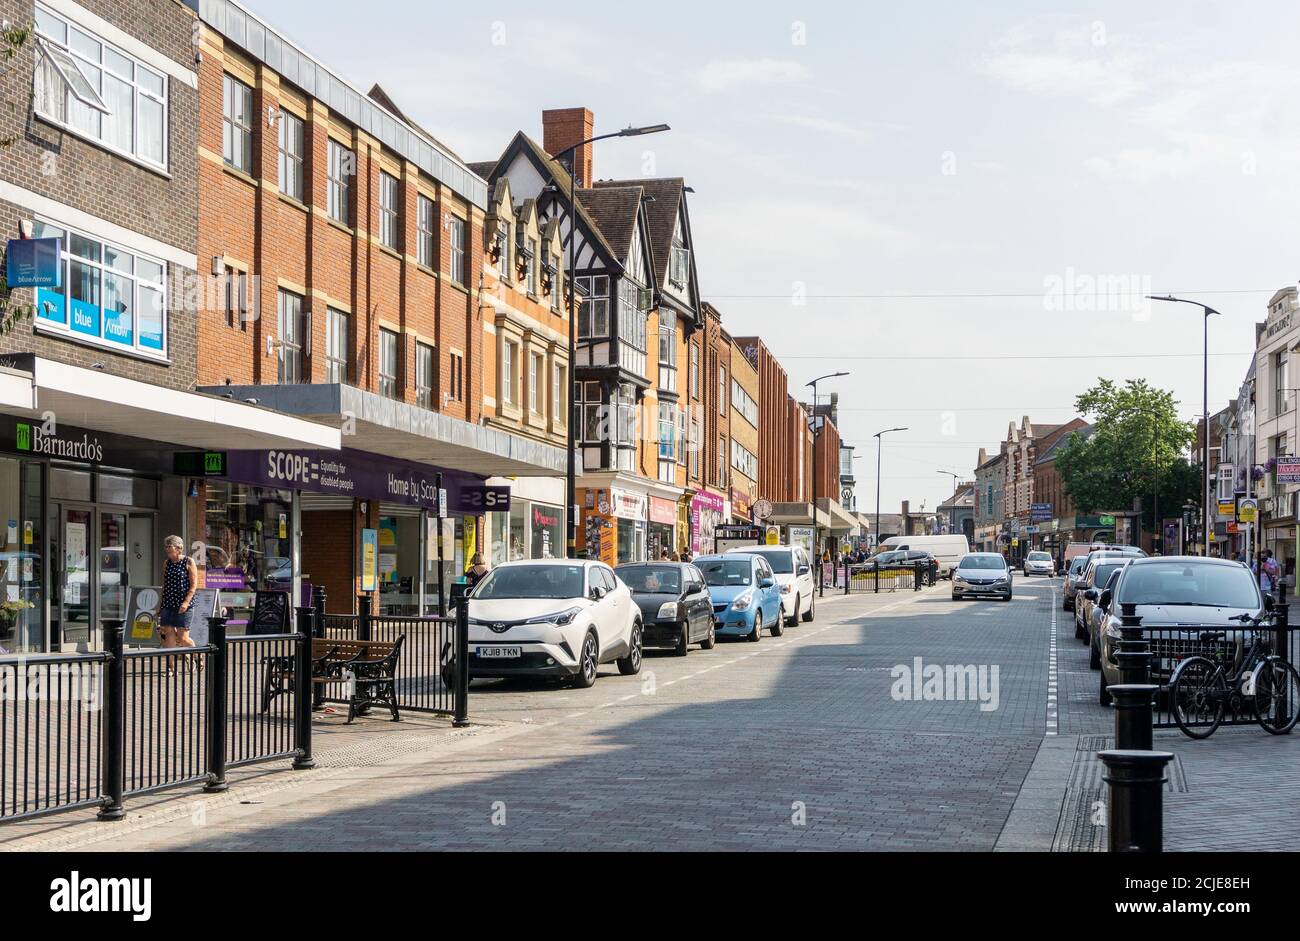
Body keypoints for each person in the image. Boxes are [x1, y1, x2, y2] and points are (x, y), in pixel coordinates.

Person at [160, 534, 199, 670]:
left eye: (170, 548)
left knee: (183, 638)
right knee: (168, 636)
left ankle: (197, 656)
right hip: (168, 603)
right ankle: (171, 668)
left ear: (178, 548)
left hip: (184, 604)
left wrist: (186, 602)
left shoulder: (188, 562)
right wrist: (160, 604)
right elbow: (164, 585)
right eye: (166, 548)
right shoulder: (167, 563)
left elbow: (194, 586)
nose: (168, 551)